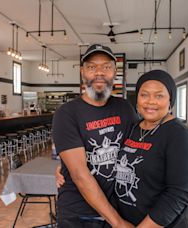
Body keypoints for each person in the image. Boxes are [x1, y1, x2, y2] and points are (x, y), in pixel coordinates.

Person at [52, 44, 137, 227]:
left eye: (106, 67)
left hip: (119, 208)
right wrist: (119, 224)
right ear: (83, 72)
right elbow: (80, 175)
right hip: (79, 215)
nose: (99, 73)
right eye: (92, 67)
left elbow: (143, 148)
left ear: (115, 72)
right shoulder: (66, 113)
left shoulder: (125, 108)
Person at [114, 70, 188, 227]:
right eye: (144, 94)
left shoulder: (181, 135)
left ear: (170, 100)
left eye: (159, 95)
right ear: (137, 99)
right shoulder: (133, 128)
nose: (150, 101)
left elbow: (178, 195)